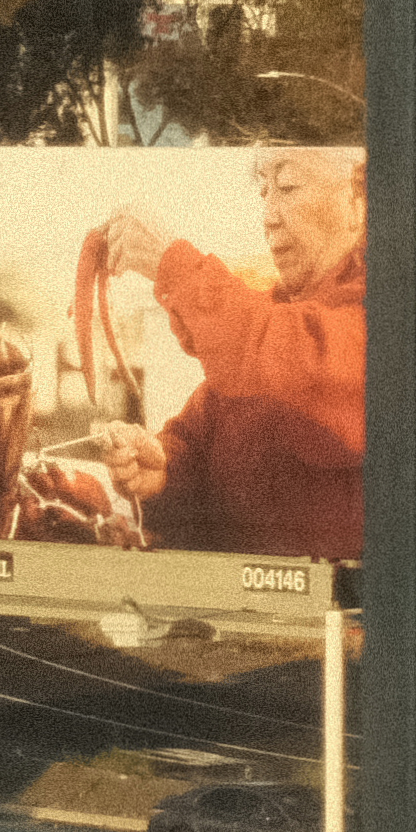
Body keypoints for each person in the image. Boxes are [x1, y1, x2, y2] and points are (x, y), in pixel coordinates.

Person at [94, 148, 369, 562]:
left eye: (288, 185)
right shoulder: (275, 319)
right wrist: (165, 468)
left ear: (359, 199)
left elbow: (294, 364)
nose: (269, 216)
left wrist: (176, 267)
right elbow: (206, 437)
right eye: (263, 192)